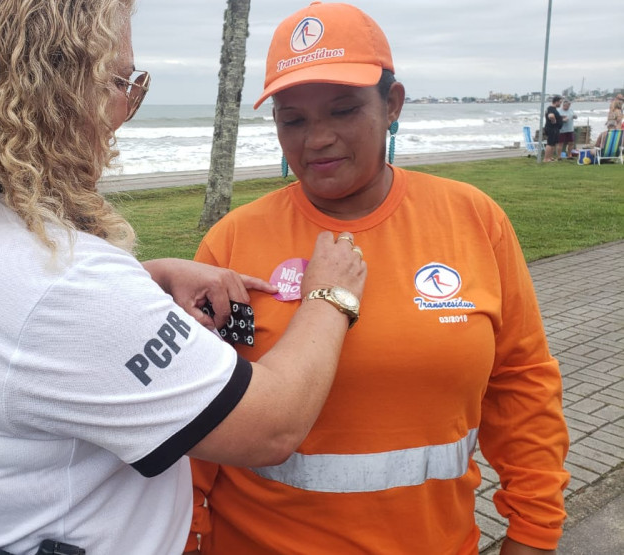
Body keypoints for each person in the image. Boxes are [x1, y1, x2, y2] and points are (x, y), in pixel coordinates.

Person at [0, 1, 366, 554]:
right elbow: (271, 425)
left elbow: (19, 335)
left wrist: (142, 281)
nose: (125, 109)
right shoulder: (56, 282)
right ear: (51, 88)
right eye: (119, 81)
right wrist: (327, 295)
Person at [186, 3, 569, 555]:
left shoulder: (474, 219)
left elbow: (522, 383)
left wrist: (534, 531)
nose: (316, 139)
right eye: (292, 119)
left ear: (392, 104)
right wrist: (190, 539)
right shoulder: (231, 242)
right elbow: (200, 416)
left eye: (342, 110)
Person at [543, 96, 563, 161]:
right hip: (551, 128)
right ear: (556, 102)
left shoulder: (553, 109)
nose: (560, 104)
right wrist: (554, 121)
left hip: (555, 129)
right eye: (560, 102)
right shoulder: (551, 108)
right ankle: (546, 159)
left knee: (553, 144)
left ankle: (550, 157)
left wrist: (561, 119)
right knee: (550, 143)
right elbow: (551, 116)